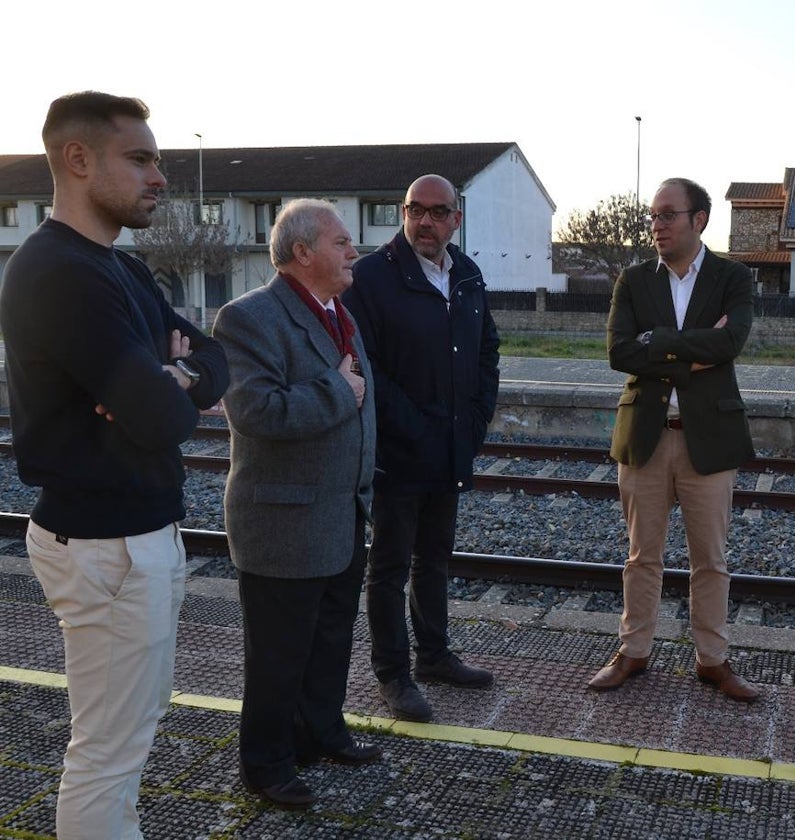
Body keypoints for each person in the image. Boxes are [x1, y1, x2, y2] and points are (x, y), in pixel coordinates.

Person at [0, 91, 229, 839]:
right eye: (141, 159)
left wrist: (175, 380)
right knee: (106, 749)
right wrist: (166, 390)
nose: (158, 175)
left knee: (129, 736)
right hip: (105, 548)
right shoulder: (58, 272)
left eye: (157, 159)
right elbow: (163, 417)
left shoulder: (121, 271)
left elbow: (217, 359)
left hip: (138, 537)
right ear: (77, 159)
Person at [213, 198, 381, 810]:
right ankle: (266, 763)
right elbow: (258, 413)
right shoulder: (248, 318)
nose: (353, 251)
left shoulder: (340, 312)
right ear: (303, 252)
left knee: (331, 640)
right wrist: (337, 388)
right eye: (341, 243)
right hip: (283, 521)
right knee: (279, 654)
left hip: (341, 511)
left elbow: (366, 405)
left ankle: (321, 733)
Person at [587, 177, 759, 702]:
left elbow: (731, 341)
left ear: (699, 219)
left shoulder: (733, 277)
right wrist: (692, 354)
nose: (657, 225)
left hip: (709, 437)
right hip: (646, 437)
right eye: (653, 216)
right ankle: (633, 651)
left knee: (711, 559)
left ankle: (713, 660)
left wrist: (657, 344)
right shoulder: (633, 281)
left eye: (668, 215)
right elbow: (620, 352)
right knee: (642, 556)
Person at [341, 174, 499, 723]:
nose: (425, 221)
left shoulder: (468, 274)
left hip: (451, 447)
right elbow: (368, 367)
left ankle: (433, 655)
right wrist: (419, 430)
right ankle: (393, 674)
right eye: (415, 210)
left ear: (456, 219)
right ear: (403, 214)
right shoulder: (370, 278)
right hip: (398, 454)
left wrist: (475, 423)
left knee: (434, 558)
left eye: (437, 212)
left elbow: (486, 353)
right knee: (388, 566)